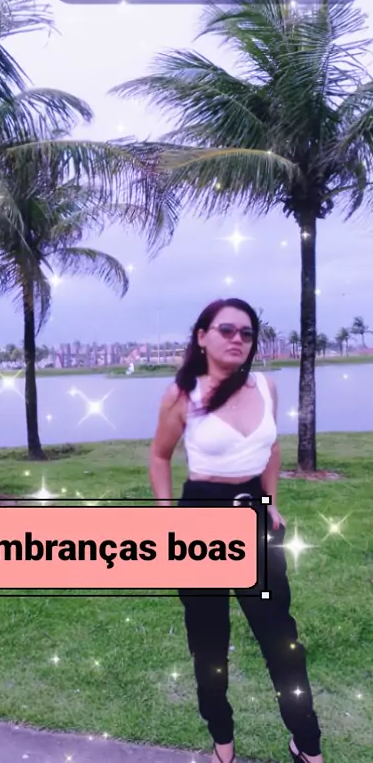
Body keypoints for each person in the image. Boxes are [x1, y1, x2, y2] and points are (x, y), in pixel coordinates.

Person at [148, 298, 323, 763]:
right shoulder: (182, 395)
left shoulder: (266, 387)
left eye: (247, 333)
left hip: (252, 518)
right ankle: (222, 744)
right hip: (200, 522)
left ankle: (307, 744)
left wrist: (271, 501)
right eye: (227, 330)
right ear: (202, 336)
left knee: (281, 640)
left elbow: (273, 449)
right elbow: (160, 456)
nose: (238, 339)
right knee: (209, 643)